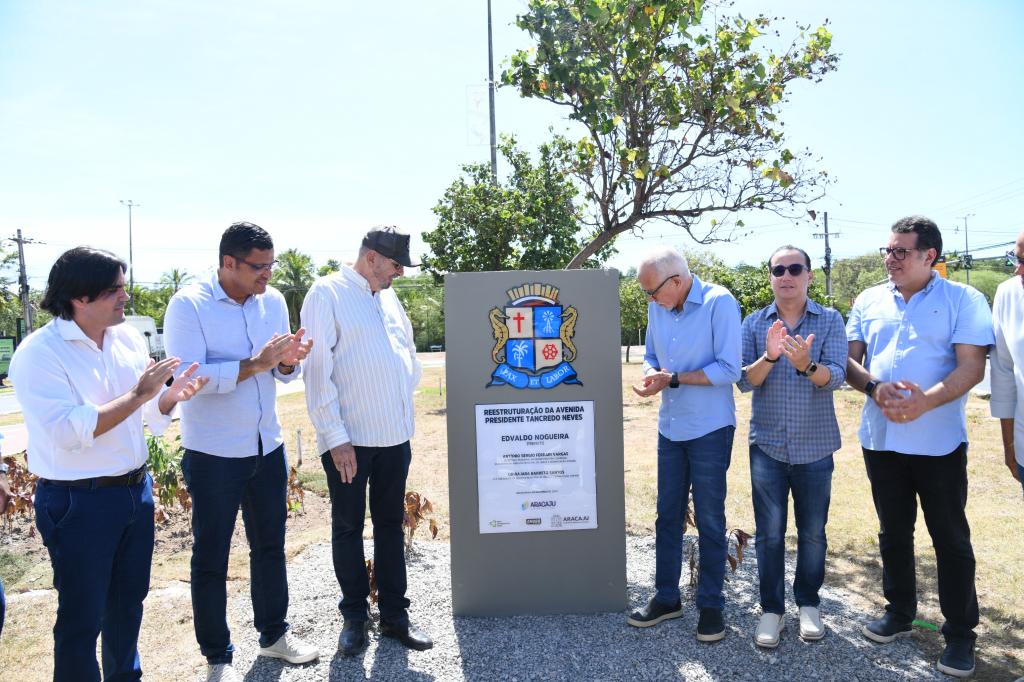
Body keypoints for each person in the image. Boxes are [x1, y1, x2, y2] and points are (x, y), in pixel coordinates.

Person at [9, 246, 206, 681]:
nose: (126, 297)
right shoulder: (39, 353)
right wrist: (139, 394)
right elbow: (68, 431)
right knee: (83, 617)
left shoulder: (128, 340)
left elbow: (147, 412)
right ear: (80, 297)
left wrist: (169, 397)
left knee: (127, 607)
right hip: (79, 501)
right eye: (115, 290)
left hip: (134, 492)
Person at [163, 222, 318, 682]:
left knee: (270, 547)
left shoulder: (271, 301)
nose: (267, 276)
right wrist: (261, 363)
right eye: (258, 267)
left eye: (271, 265)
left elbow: (281, 373)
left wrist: (288, 361)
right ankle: (218, 658)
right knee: (211, 556)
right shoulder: (188, 305)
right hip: (212, 453)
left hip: (266, 444)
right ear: (227, 262)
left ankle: (273, 637)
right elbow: (190, 379)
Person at [846, 216, 993, 679]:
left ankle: (960, 635)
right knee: (893, 532)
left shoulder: (964, 299)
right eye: (887, 251)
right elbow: (850, 361)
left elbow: (972, 367)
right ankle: (899, 612)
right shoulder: (869, 299)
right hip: (882, 439)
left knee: (950, 538)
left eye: (901, 252)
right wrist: (874, 388)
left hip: (939, 443)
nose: (890, 260)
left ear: (930, 255)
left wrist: (924, 402)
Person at [300, 226, 431, 656]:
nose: (400, 272)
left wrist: (399, 396)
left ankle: (395, 616)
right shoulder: (327, 293)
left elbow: (407, 354)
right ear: (371, 257)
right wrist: (335, 438)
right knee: (348, 527)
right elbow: (317, 372)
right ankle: (355, 618)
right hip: (349, 442)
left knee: (391, 527)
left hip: (395, 437)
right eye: (395, 264)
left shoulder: (389, 297)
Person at [628, 246, 742, 642]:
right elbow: (650, 356)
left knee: (710, 520)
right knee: (667, 516)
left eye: (653, 291)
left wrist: (672, 379)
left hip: (710, 428)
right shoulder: (658, 306)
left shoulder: (719, 302)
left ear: (676, 281)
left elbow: (729, 368)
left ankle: (711, 606)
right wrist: (650, 375)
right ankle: (666, 598)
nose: (650, 300)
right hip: (671, 428)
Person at [737, 246, 847, 648]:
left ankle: (808, 603)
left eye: (794, 268)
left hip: (816, 445)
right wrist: (770, 355)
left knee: (813, 532)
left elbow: (836, 376)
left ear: (809, 275)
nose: (786, 275)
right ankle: (772, 611)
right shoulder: (754, 323)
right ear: (770, 276)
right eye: (778, 269)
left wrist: (807, 366)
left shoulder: (830, 319)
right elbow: (745, 381)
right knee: (768, 534)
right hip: (767, 446)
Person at [989, 230, 1024, 496]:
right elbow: (1003, 371)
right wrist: (1010, 446)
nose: (1018, 271)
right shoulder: (1008, 294)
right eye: (1017, 258)